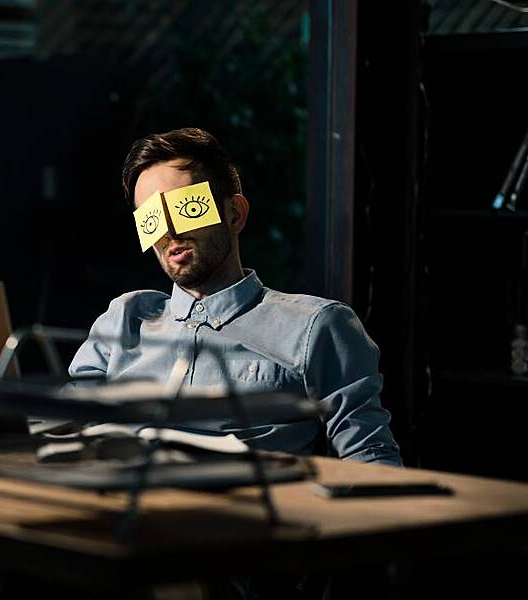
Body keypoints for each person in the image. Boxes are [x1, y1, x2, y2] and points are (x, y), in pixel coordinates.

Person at [69, 127, 401, 466]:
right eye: (152, 219)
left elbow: (370, 457)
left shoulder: (314, 326)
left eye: (186, 208)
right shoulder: (123, 319)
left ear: (235, 213)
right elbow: (58, 432)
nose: (170, 231)